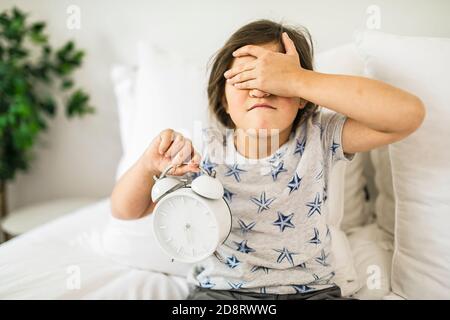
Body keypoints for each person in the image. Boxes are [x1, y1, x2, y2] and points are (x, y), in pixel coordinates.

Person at [110, 19, 425, 300]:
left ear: (303, 98)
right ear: (223, 97)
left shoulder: (320, 137)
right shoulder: (202, 150)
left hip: (313, 292)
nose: (261, 90)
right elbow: (125, 210)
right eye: (246, 78)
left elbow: (407, 115)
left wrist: (299, 80)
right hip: (220, 292)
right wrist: (149, 165)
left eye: (275, 78)